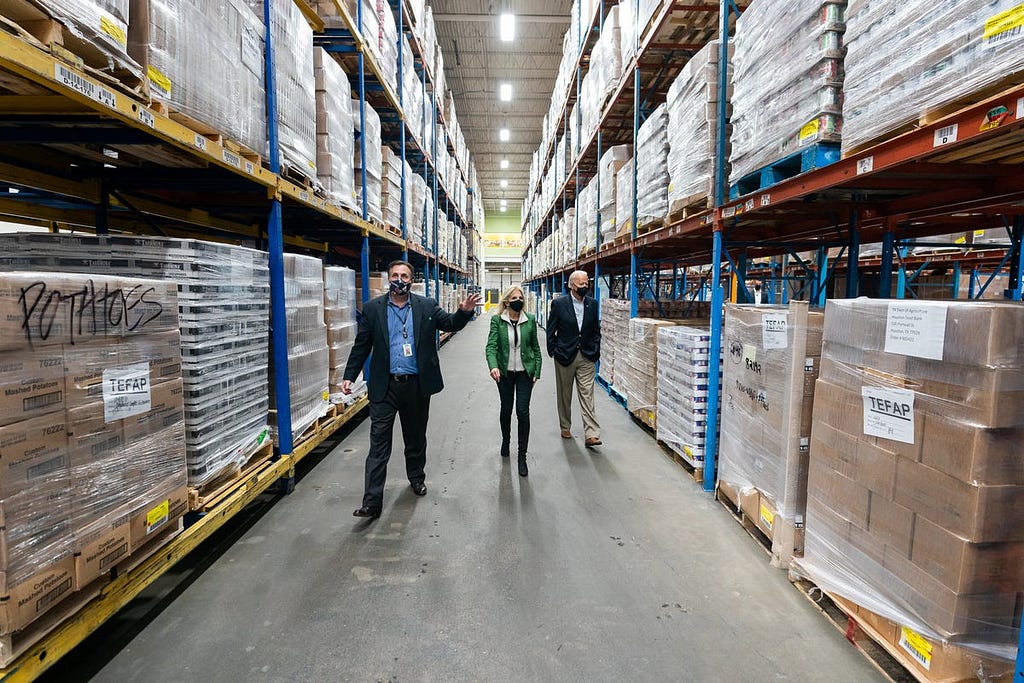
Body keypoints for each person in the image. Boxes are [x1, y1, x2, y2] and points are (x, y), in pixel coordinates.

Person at [341, 260, 482, 519]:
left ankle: (416, 478)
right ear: (388, 278)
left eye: (404, 276)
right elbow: (361, 345)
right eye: (394, 275)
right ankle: (372, 502)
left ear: (411, 279)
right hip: (385, 387)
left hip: (416, 385)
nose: (399, 279)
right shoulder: (373, 309)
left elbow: (449, 323)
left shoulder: (425, 306)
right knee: (378, 445)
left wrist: (464, 311)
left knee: (415, 438)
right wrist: (350, 376)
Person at [485, 285, 542, 477]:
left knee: (522, 411)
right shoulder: (497, 320)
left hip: (525, 372)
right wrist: (493, 366)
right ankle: (505, 440)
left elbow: (535, 347)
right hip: (505, 373)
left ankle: (522, 457)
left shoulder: (530, 319)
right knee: (506, 409)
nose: (518, 300)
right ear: (507, 301)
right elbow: (491, 347)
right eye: (514, 297)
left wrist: (537, 370)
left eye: (521, 297)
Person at [546, 270, 602, 448]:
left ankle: (591, 433)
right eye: (581, 284)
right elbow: (551, 330)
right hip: (565, 355)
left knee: (587, 394)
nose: (585, 287)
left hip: (586, 355)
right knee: (565, 394)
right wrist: (554, 350)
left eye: (586, 283)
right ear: (571, 285)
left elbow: (595, 330)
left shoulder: (592, 304)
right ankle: (565, 426)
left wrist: (595, 349)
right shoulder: (559, 303)